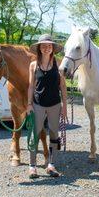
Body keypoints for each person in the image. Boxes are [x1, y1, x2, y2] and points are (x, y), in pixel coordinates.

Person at [26, 34, 68, 179]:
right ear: (39, 48)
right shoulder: (33, 65)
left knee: (54, 135)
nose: (46, 48)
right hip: (38, 104)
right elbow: (31, 86)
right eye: (43, 46)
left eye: (49, 46)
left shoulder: (58, 64)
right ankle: (32, 166)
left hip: (55, 104)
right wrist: (29, 104)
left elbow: (63, 86)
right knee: (35, 134)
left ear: (53, 48)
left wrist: (64, 107)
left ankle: (51, 164)